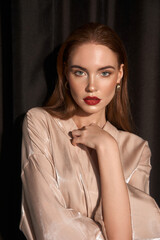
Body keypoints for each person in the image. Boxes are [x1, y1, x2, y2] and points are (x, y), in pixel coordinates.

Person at [19, 23, 160, 240]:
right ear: (66, 73)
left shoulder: (137, 150)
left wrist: (108, 148)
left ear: (120, 74)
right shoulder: (40, 123)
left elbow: (129, 235)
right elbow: (50, 228)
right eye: (80, 72)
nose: (91, 86)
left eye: (104, 73)